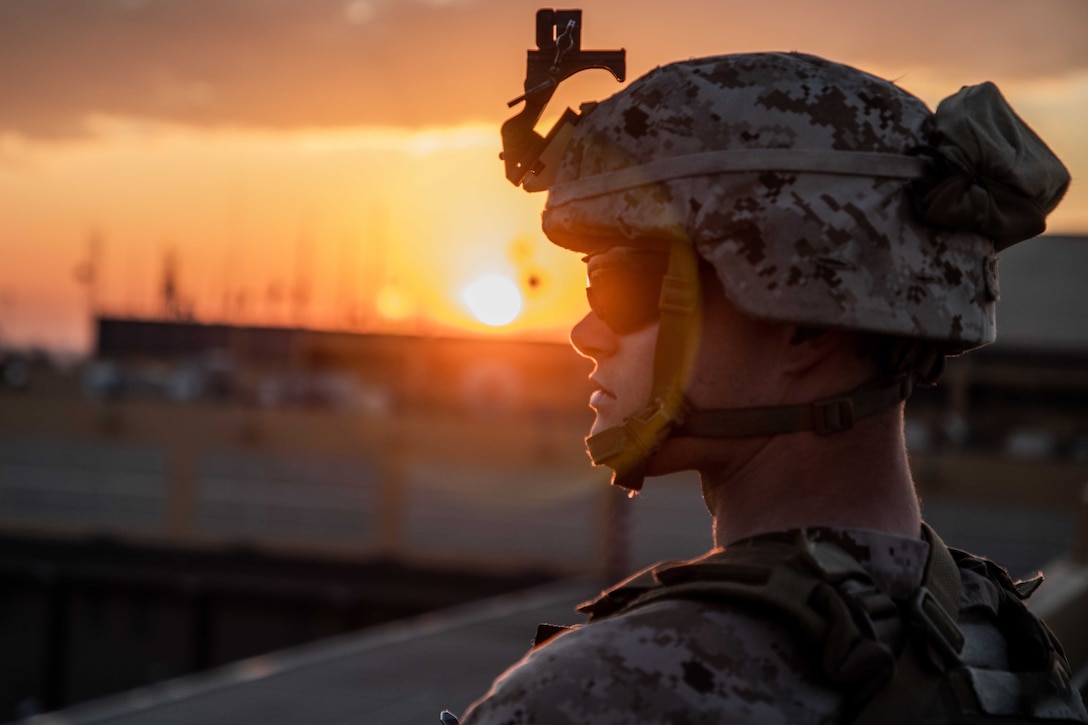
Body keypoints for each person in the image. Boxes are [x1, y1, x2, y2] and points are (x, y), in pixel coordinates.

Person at [460, 50, 1086, 724]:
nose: (586, 332)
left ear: (803, 326)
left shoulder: (603, 691)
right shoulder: (1009, 645)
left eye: (621, 287)